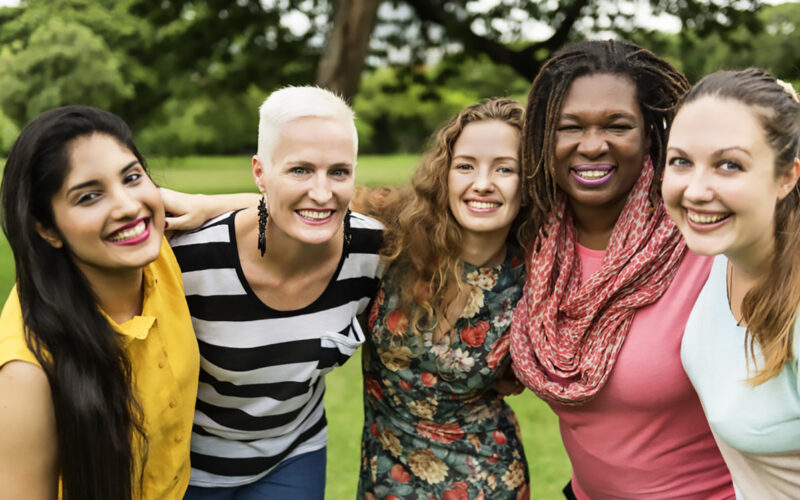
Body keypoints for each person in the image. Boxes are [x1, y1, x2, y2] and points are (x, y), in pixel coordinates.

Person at [509, 40, 735, 499]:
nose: (592, 145)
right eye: (569, 127)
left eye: (617, 125)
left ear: (651, 134)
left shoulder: (705, 245)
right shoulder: (533, 247)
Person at [168, 86, 384, 499]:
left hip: (294, 455)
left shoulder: (372, 252)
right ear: (260, 172)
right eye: (299, 170)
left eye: (338, 172)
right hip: (190, 468)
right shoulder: (189, 261)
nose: (322, 193)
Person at [0, 106, 200, 499]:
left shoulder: (157, 249)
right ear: (47, 229)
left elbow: (295, 211)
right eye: (89, 196)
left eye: (131, 177)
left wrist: (208, 206)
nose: (127, 206)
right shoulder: (25, 373)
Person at [355, 98, 534, 499]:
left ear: (530, 183)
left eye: (505, 168)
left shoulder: (536, 274)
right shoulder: (399, 229)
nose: (482, 183)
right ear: (445, 174)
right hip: (386, 477)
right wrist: (206, 205)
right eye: (465, 165)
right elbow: (307, 208)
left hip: (486, 476)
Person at [662, 68, 800, 498]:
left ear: (786, 177)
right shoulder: (723, 253)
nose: (696, 190)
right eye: (681, 161)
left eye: (729, 165)